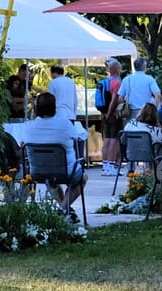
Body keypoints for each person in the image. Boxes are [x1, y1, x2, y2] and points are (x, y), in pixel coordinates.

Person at [22, 93, 88, 222]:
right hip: (66, 171)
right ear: (54, 107)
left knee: (50, 178)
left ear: (36, 108)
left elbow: (23, 143)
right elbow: (78, 136)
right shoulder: (65, 124)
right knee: (82, 178)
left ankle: (65, 209)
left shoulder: (28, 126)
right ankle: (63, 210)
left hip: (38, 172)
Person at [97, 58, 125, 177]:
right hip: (113, 115)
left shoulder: (104, 81)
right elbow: (114, 99)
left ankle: (105, 166)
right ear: (117, 69)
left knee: (107, 140)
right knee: (114, 140)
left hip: (104, 114)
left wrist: (104, 113)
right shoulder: (117, 82)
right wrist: (109, 113)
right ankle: (110, 166)